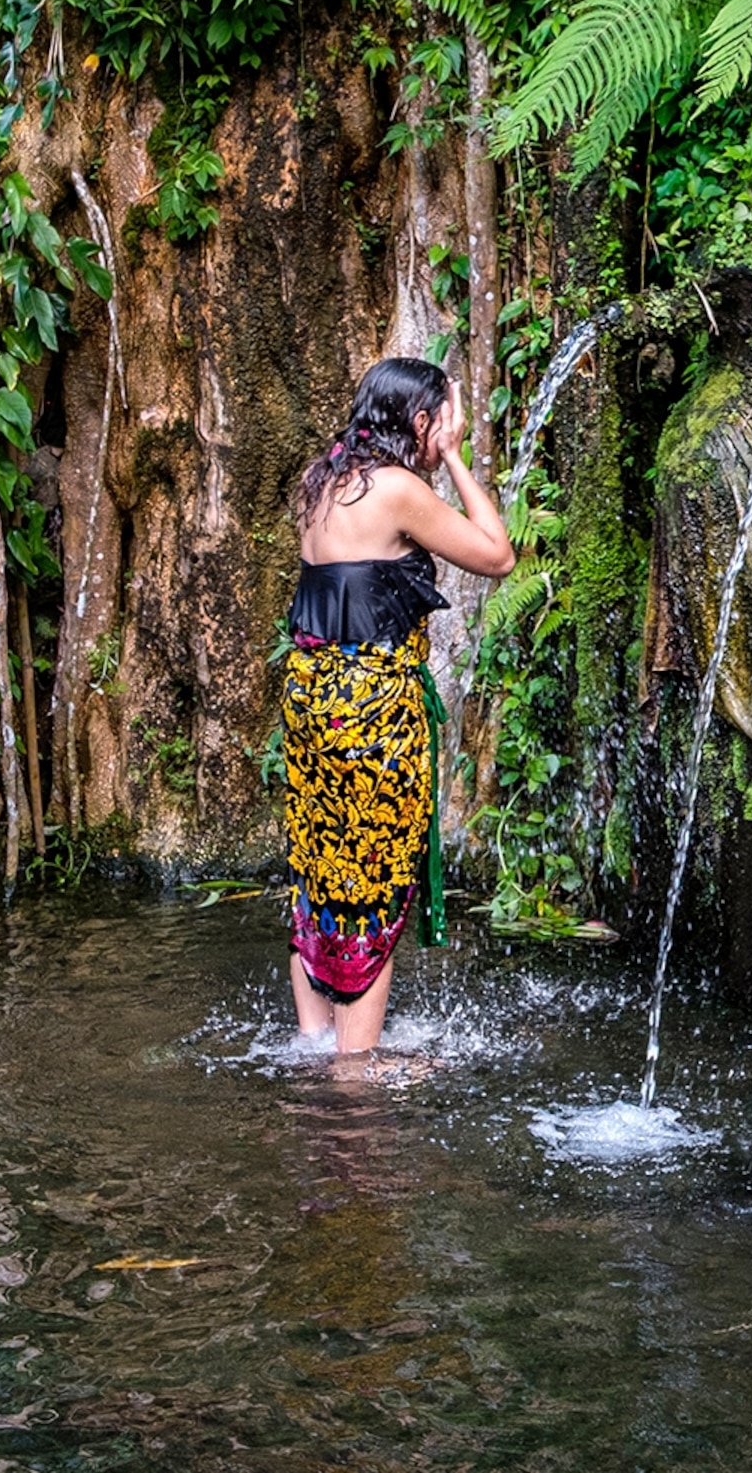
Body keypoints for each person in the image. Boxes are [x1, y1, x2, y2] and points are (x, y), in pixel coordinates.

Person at [283, 359, 515, 1055]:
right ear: (419, 421)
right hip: (370, 709)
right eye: (442, 418)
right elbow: (497, 554)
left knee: (323, 864)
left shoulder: (320, 479)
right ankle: (353, 1075)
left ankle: (311, 1042)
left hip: (311, 701)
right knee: (374, 878)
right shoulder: (395, 488)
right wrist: (452, 457)